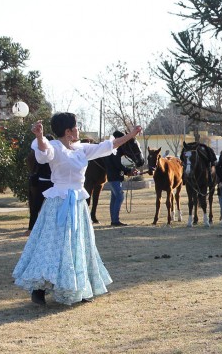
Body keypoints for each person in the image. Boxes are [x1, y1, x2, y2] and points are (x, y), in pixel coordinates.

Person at [12, 113, 142, 306]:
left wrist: (130, 135)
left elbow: (108, 146)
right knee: (51, 244)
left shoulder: (81, 149)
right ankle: (38, 289)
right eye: (76, 127)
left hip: (78, 203)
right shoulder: (55, 147)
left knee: (77, 246)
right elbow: (43, 152)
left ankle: (77, 288)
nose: (78, 129)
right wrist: (39, 136)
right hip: (58, 203)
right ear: (68, 131)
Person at [104, 130, 138, 227]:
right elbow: (118, 165)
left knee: (114, 199)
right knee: (120, 197)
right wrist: (128, 171)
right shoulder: (115, 151)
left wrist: (127, 171)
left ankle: (114, 219)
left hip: (112, 177)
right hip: (115, 177)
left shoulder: (110, 150)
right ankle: (115, 220)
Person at [25, 135, 54, 235]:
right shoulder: (41, 154)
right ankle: (32, 228)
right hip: (47, 182)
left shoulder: (42, 153)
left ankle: (31, 228)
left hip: (43, 182)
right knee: (38, 206)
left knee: (36, 206)